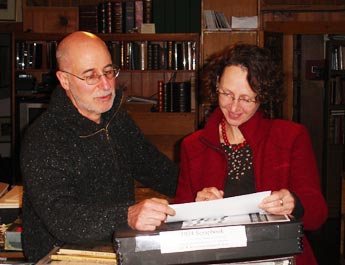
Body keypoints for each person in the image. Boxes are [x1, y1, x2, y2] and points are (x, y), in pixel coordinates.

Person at [20, 31, 178, 262]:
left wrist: (197, 191)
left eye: (108, 71)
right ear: (64, 80)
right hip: (60, 255)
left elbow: (155, 168)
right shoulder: (44, 138)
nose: (105, 84)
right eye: (91, 76)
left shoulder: (117, 120)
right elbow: (63, 218)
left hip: (114, 245)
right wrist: (127, 215)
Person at [174, 44, 327, 265]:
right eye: (226, 94)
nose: (234, 107)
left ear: (263, 95)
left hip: (281, 257)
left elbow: (318, 213)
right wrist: (196, 208)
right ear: (216, 86)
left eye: (246, 99)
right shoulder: (193, 145)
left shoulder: (290, 137)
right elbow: (179, 225)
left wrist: (294, 202)